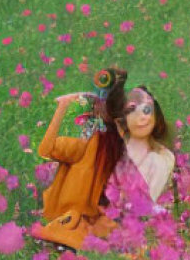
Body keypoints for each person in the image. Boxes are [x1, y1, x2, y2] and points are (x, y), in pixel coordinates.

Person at [32, 67, 129, 249]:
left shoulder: (87, 144)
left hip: (72, 220)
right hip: (94, 221)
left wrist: (62, 106)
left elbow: (45, 149)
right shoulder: (115, 144)